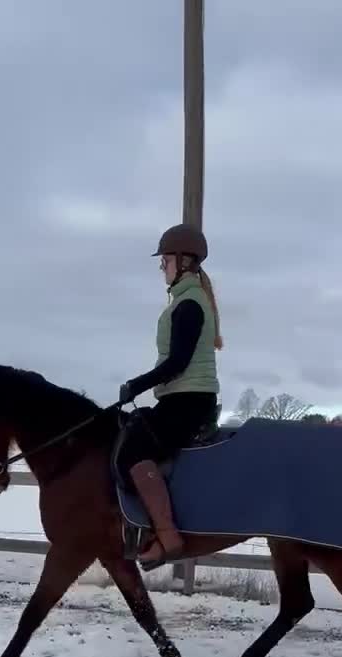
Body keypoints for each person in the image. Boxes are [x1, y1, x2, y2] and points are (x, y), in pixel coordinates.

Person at [118, 223, 222, 569]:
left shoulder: (189, 303)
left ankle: (167, 536)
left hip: (189, 401)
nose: (162, 267)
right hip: (182, 398)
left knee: (133, 450)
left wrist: (137, 384)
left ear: (183, 261)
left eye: (165, 260)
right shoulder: (185, 300)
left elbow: (178, 362)